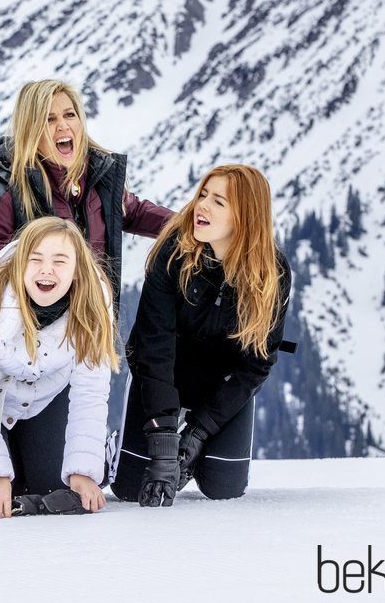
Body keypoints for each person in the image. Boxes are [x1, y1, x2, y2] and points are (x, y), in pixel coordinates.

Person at [111, 164, 292, 506]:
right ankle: (126, 446)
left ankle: (194, 452)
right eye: (203, 195)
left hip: (220, 385)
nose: (201, 206)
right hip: (164, 375)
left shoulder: (273, 272)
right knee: (131, 487)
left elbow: (255, 365)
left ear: (245, 216)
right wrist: (164, 440)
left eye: (218, 202)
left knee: (224, 488)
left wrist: (197, 433)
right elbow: (152, 347)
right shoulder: (174, 253)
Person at [0, 217, 119, 518]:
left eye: (60, 261)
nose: (46, 270)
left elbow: (90, 392)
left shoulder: (94, 303)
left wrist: (83, 471)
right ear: (21, 263)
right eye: (35, 260)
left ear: (77, 270)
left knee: (52, 488)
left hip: (39, 396)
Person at [0, 79, 173, 302]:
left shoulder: (96, 177)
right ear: (31, 130)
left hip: (93, 325)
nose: (63, 125)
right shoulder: (5, 193)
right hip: (36, 332)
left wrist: (190, 225)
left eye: (70, 115)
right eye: (49, 119)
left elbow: (135, 212)